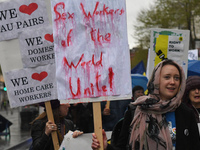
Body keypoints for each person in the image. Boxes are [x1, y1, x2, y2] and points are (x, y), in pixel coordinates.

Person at [91, 59, 200, 150]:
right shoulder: (136, 110)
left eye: (177, 78)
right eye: (167, 77)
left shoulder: (186, 113)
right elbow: (122, 147)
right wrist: (105, 146)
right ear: (156, 80)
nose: (173, 82)